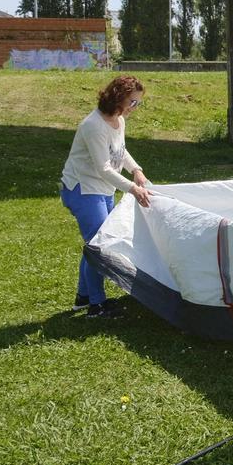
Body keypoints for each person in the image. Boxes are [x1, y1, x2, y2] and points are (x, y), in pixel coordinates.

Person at [60, 75, 153, 319]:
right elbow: (104, 167)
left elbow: (120, 152)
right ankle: (96, 306)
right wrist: (132, 188)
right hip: (83, 190)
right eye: (132, 102)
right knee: (100, 247)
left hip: (102, 189)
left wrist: (136, 170)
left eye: (137, 103)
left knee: (95, 243)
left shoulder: (118, 120)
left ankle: (83, 297)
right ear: (118, 98)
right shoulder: (93, 126)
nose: (134, 108)